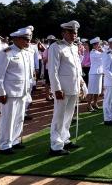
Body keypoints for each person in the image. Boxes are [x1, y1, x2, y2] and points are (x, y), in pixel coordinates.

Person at [0, 27, 33, 154]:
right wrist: (0, 92)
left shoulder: (26, 53)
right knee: (8, 119)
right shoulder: (5, 53)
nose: (28, 41)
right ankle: (4, 145)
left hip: (22, 92)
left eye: (29, 39)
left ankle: (14, 140)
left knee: (19, 118)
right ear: (16, 39)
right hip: (9, 93)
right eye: (25, 39)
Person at [48, 20, 85, 156]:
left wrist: (82, 84)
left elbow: (77, 68)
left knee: (68, 116)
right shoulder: (56, 47)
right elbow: (53, 70)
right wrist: (56, 89)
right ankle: (55, 145)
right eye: (70, 32)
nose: (73, 35)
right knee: (58, 117)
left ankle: (65, 138)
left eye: (75, 32)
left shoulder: (74, 47)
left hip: (73, 87)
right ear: (63, 32)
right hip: (62, 89)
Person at [87, 37, 104, 112]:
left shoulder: (98, 52)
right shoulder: (93, 52)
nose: (99, 46)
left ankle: (95, 103)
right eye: (98, 44)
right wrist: (103, 51)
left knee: (97, 90)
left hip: (99, 73)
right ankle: (88, 105)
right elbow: (104, 56)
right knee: (91, 90)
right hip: (94, 73)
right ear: (94, 45)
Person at [42, 35, 57, 101]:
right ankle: (47, 96)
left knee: (52, 82)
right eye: (50, 41)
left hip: (53, 68)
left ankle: (51, 95)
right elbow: (44, 60)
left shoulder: (54, 49)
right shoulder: (47, 50)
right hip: (49, 68)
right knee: (48, 82)